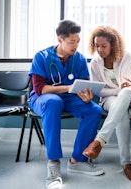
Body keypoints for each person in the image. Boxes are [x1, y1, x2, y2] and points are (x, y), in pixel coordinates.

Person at [28, 20, 104, 189]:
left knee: (94, 110)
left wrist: (86, 96)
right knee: (54, 102)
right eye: (72, 42)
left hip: (69, 98)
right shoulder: (42, 57)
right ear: (60, 39)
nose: (76, 45)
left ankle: (77, 160)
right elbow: (40, 89)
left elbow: (83, 85)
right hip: (43, 98)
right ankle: (53, 163)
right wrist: (68, 88)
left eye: (78, 41)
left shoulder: (79, 59)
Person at [82, 26, 131, 182]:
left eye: (103, 46)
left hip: (129, 98)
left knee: (128, 92)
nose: (99, 49)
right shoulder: (95, 63)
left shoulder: (127, 57)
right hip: (108, 99)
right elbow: (100, 91)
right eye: (97, 46)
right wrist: (118, 90)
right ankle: (126, 163)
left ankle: (99, 141)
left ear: (113, 45)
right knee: (122, 110)